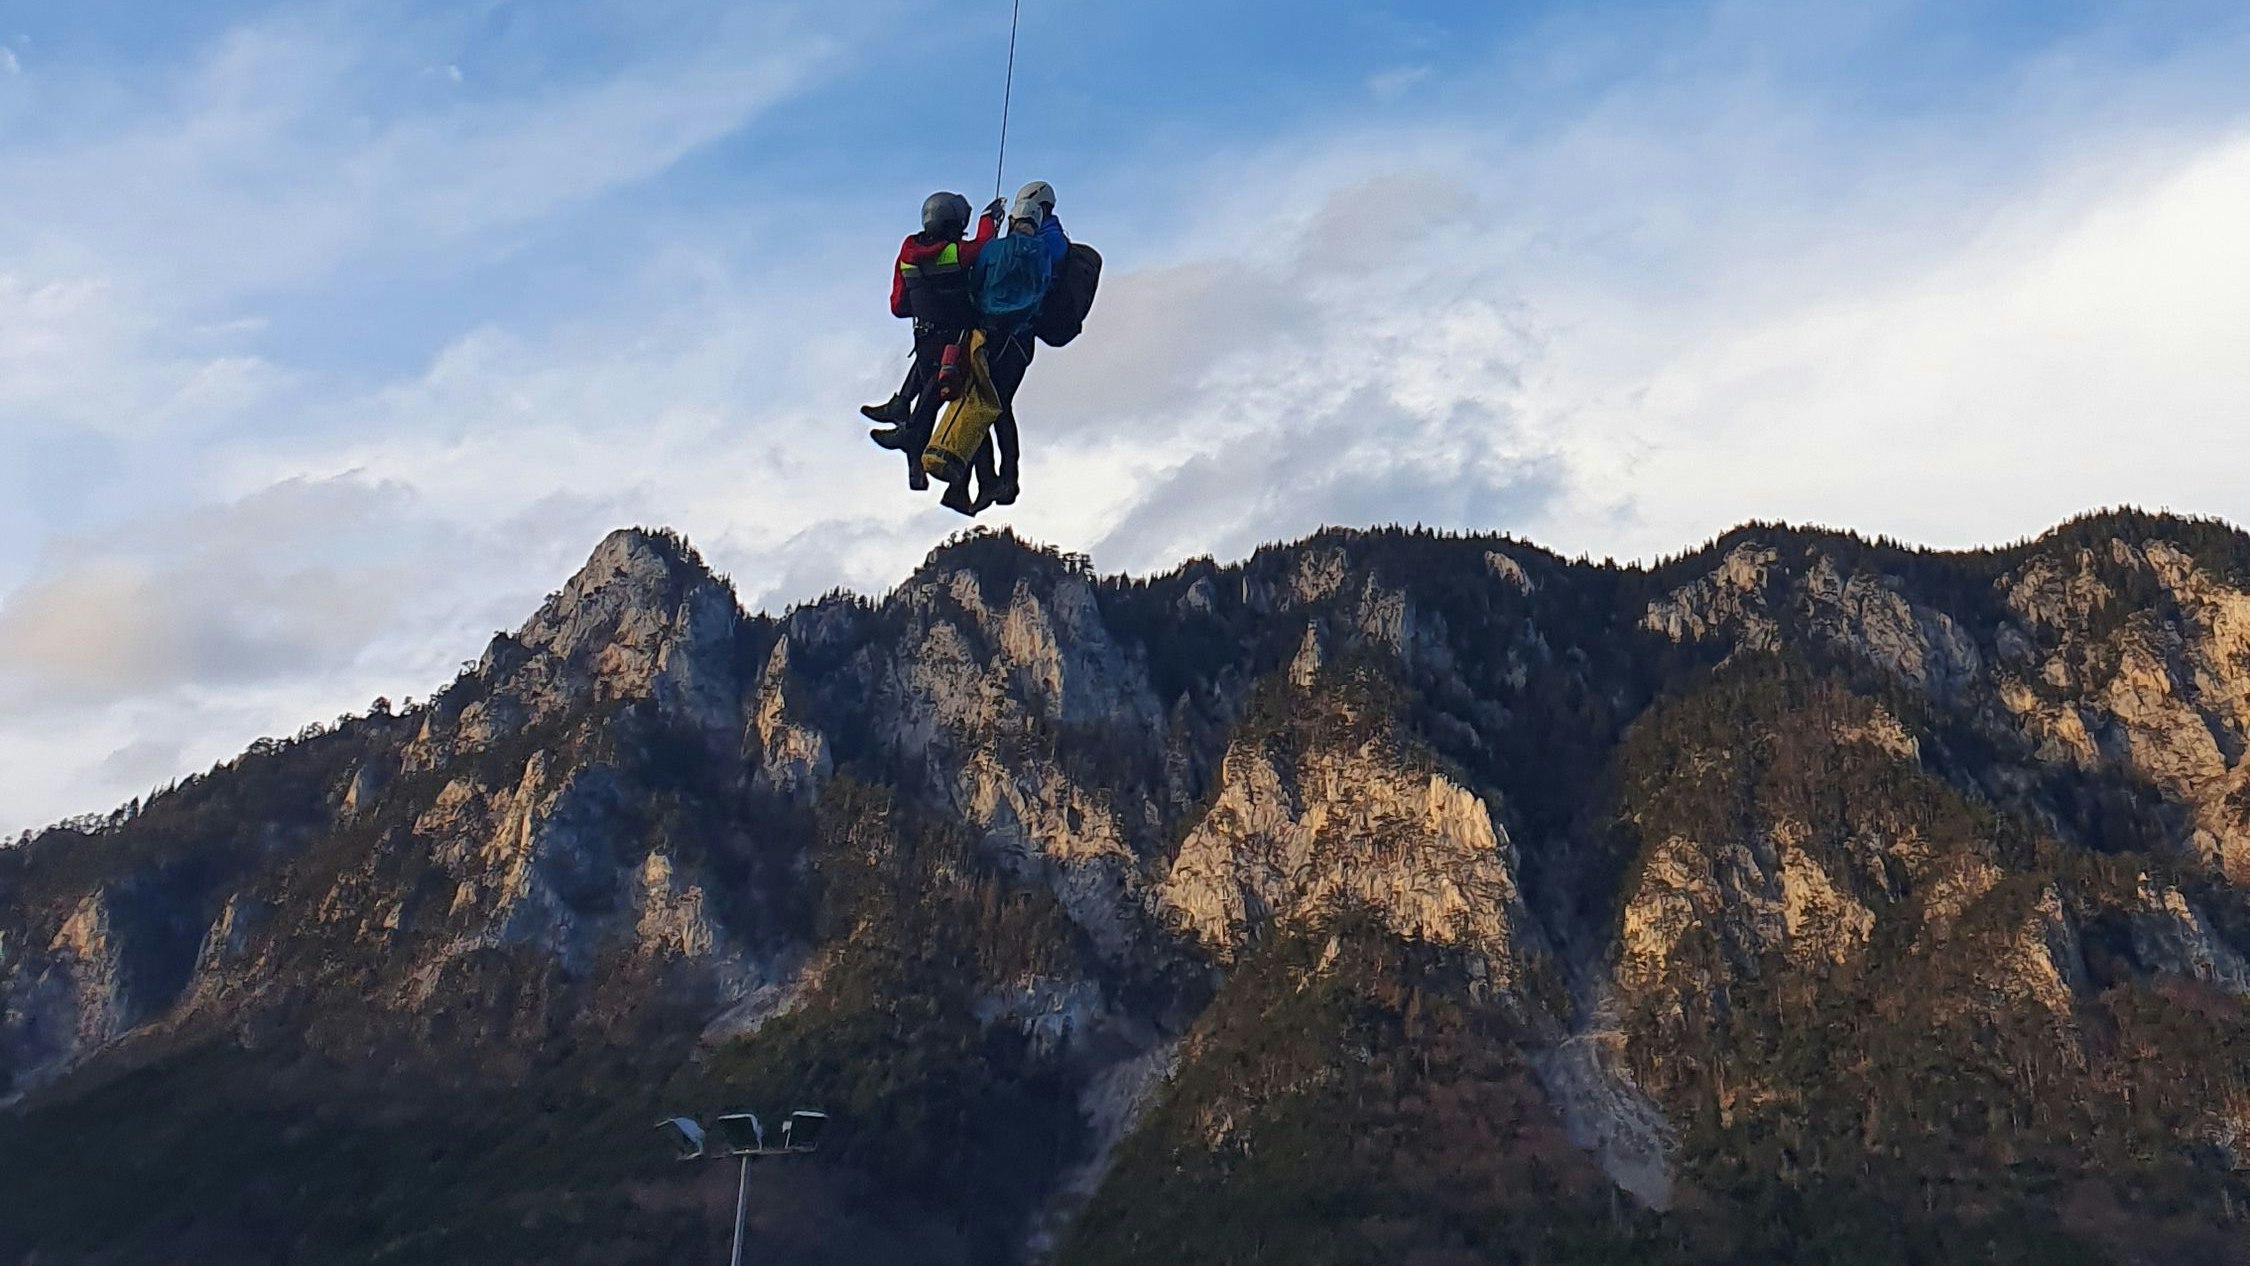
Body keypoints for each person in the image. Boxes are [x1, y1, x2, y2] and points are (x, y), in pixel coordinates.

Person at [863, 191, 1004, 489]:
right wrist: (988, 220)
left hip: (923, 338)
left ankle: (902, 409)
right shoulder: (957, 253)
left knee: (926, 381)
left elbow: (898, 306)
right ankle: (916, 438)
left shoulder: (907, 253)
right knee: (943, 394)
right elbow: (982, 247)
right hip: (953, 344)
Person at [964, 180, 1069, 511]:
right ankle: (1005, 478)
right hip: (1020, 341)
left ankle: (990, 481)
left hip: (991, 336)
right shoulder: (1050, 248)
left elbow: (976, 280)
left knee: (979, 404)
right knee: (999, 406)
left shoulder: (999, 250)